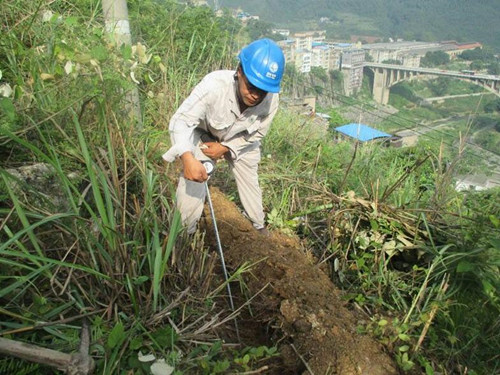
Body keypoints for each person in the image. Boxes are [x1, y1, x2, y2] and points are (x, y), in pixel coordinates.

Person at [163, 38, 285, 235]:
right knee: (195, 179)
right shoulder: (214, 86)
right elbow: (181, 121)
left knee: (249, 176)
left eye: (262, 91)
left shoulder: (271, 100)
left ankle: (258, 225)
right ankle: (185, 233)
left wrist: (227, 148)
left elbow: (259, 132)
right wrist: (187, 157)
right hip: (204, 134)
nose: (255, 95)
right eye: (251, 87)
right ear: (239, 72)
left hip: (241, 141)